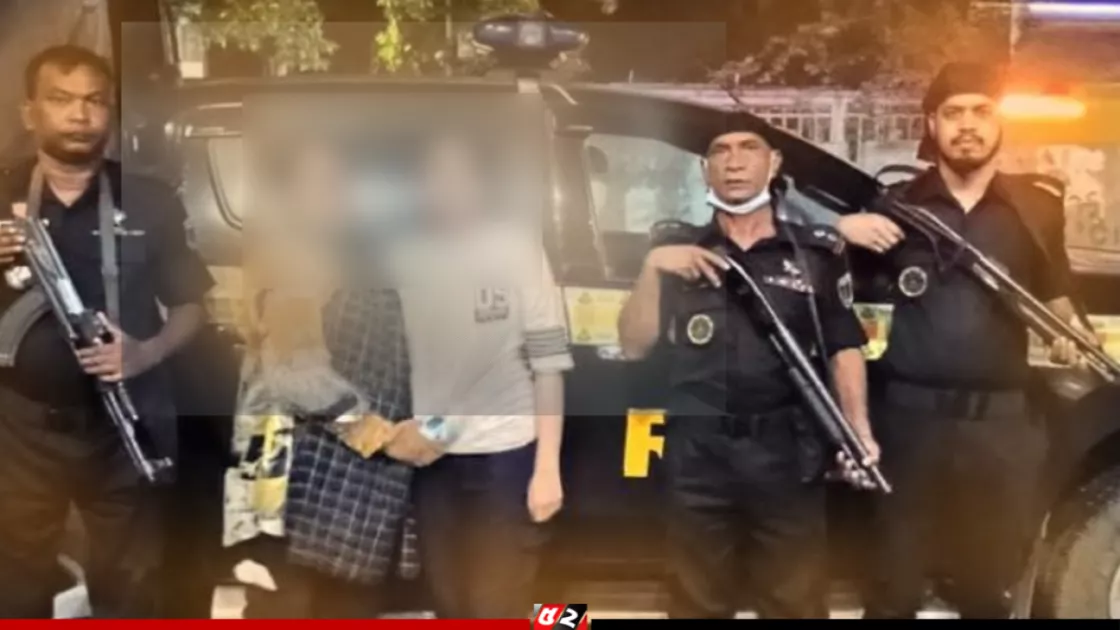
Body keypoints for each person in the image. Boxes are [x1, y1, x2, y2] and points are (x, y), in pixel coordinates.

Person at [829, 62, 1099, 619]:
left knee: (988, 588)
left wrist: (1070, 335)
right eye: (953, 113)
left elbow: (1056, 294)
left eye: (981, 111)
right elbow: (831, 299)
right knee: (892, 588)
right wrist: (839, 230)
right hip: (908, 424)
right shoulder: (896, 206)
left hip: (1002, 430)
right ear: (932, 123)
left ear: (999, 122)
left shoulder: (1036, 209)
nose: (967, 125)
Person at [616, 117, 880, 619]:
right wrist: (651, 270)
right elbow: (633, 345)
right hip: (699, 452)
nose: (734, 162)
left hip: (787, 450)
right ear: (704, 169)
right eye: (720, 151)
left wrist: (858, 429)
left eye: (748, 148)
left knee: (794, 601)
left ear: (773, 163)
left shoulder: (815, 253)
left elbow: (844, 346)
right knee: (696, 602)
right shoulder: (678, 250)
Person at [0, 45, 213, 618]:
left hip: (125, 422)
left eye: (94, 101)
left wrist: (144, 353)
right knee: (14, 588)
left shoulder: (150, 201)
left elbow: (192, 306)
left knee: (133, 588)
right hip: (19, 429)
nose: (80, 114)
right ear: (29, 112)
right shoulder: (0, 194)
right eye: (61, 99)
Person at [226, 138, 434, 619]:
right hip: (295, 483)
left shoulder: (351, 259)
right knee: (289, 604)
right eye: (316, 185)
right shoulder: (294, 260)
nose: (332, 198)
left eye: (339, 185)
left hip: (348, 491)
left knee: (341, 604)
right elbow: (297, 377)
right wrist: (381, 436)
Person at [391, 132, 572, 619]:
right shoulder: (404, 255)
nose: (447, 188)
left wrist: (547, 469)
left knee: (499, 604)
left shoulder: (517, 249)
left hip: (506, 453)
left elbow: (549, 364)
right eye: (434, 176)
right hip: (433, 459)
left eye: (459, 175)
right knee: (448, 602)